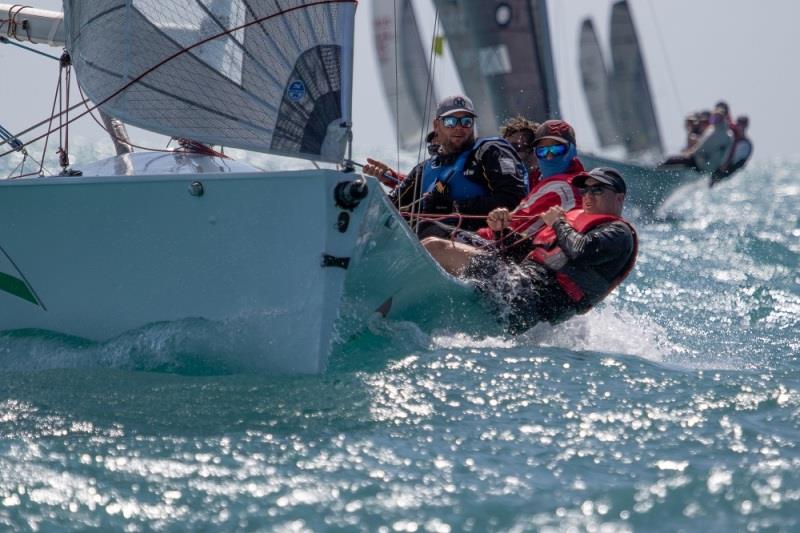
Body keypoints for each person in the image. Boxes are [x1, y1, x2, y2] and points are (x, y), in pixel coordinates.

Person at [422, 167, 637, 334]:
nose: (588, 195)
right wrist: (500, 230)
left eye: (597, 190)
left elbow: (580, 251)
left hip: (530, 301)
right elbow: (521, 254)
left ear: (619, 197)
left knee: (435, 246)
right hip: (519, 287)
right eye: (585, 190)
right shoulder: (573, 221)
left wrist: (558, 223)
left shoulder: (619, 233)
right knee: (439, 240)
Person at [362, 95, 528, 237]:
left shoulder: (489, 151)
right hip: (434, 241)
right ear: (436, 125)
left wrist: (453, 206)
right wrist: (368, 188)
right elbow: (392, 206)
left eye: (466, 121)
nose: (459, 127)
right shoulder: (424, 169)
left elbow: (514, 200)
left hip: (483, 243)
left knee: (427, 231)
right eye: (450, 121)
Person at [473, 119, 586, 245]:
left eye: (557, 150)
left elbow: (513, 235)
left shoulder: (559, 186)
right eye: (542, 151)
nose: (549, 156)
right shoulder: (538, 182)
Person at [500, 115, 540, 189]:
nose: (507, 152)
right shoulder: (510, 179)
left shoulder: (543, 178)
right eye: (505, 147)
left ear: (531, 149)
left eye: (514, 147)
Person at [711, 115, 753, 185]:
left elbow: (740, 163)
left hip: (731, 169)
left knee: (718, 179)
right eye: (739, 124)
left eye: (743, 125)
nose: (740, 127)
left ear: (746, 126)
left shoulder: (746, 144)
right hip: (721, 165)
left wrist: (726, 165)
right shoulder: (731, 136)